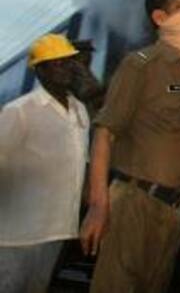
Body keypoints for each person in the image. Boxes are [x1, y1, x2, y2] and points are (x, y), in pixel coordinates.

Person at [80, 0, 180, 292]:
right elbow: (105, 132)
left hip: (171, 212)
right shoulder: (140, 66)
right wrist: (99, 205)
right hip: (135, 204)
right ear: (160, 19)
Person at [0, 34, 90, 293]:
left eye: (69, 62)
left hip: (57, 230)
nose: (66, 68)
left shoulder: (79, 111)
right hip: (17, 234)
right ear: (40, 70)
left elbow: (79, 163)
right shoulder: (20, 111)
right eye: (57, 63)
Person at [68, 39, 106, 117]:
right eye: (86, 53)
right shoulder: (73, 73)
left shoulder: (86, 70)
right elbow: (85, 93)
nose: (89, 57)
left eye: (89, 53)